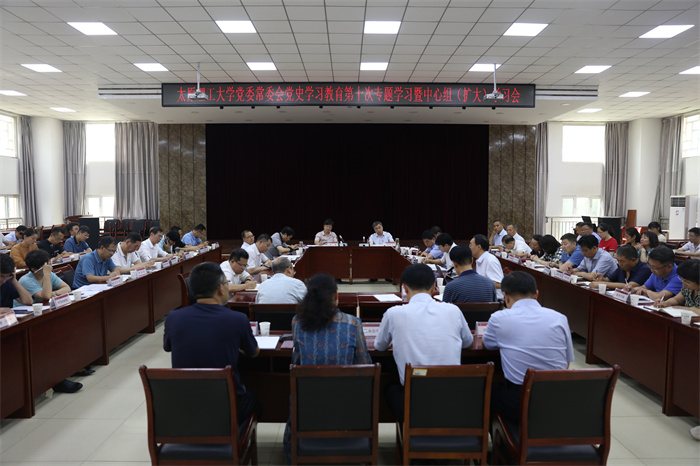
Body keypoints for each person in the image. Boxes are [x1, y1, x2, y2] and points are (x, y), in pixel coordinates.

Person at [282, 273, 371, 463]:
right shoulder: (352, 323)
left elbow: (296, 360)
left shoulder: (297, 322)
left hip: (308, 403)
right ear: (336, 296)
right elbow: (365, 364)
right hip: (347, 404)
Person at [163, 261, 261, 424]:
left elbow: (168, 347)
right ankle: (238, 436)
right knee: (256, 402)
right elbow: (253, 352)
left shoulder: (173, 318)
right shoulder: (237, 319)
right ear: (221, 288)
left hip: (185, 403)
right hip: (226, 405)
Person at [375, 263, 473, 421]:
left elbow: (379, 346)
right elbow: (468, 342)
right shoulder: (453, 310)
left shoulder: (393, 313)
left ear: (404, 288)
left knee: (389, 387)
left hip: (415, 403)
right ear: (434, 287)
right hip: (452, 398)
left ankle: (409, 428)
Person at [483, 271, 574, 423]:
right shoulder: (560, 318)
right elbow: (567, 362)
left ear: (505, 296)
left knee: (485, 388)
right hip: (557, 399)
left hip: (519, 400)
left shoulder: (499, 318)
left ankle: (499, 435)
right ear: (536, 294)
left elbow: (488, 345)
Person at [1, 253, 82, 394]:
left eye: (6, 276)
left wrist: (13, 280)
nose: (3, 280)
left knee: (44, 343)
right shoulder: (25, 279)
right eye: (1, 276)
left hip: (10, 326)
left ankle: (57, 380)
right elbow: (44, 296)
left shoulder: (7, 283)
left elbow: (28, 301)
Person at [469, 234, 504, 300]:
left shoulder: (490, 260)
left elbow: (500, 284)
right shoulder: (480, 259)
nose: (469, 248)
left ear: (479, 247)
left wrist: (477, 283)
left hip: (494, 300)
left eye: (471, 245)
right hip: (484, 297)